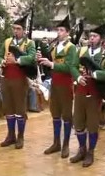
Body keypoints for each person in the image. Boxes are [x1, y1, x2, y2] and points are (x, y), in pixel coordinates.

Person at [70, 23, 105, 167]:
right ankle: (82, 149)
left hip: (95, 93)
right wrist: (78, 77)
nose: (91, 38)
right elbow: (72, 66)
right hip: (80, 91)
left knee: (92, 124)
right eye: (90, 36)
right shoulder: (81, 51)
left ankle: (91, 152)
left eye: (95, 36)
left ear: (101, 39)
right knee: (78, 123)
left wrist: (95, 74)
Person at [37, 15, 77, 158]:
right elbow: (49, 65)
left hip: (66, 84)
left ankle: (66, 144)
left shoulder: (71, 48)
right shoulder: (53, 47)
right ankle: (56, 143)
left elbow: (70, 67)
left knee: (66, 114)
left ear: (67, 33)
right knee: (55, 113)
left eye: (62, 30)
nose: (59, 33)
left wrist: (52, 64)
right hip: (54, 83)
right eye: (58, 30)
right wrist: (41, 59)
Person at [0, 15, 36, 149]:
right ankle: (10, 135)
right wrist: (2, 61)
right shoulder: (7, 42)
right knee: (8, 108)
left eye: (18, 29)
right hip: (6, 78)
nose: (16, 31)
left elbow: (31, 58)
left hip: (20, 79)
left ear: (24, 30)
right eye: (14, 29)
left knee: (20, 109)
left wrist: (17, 60)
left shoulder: (29, 43)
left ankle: (20, 136)